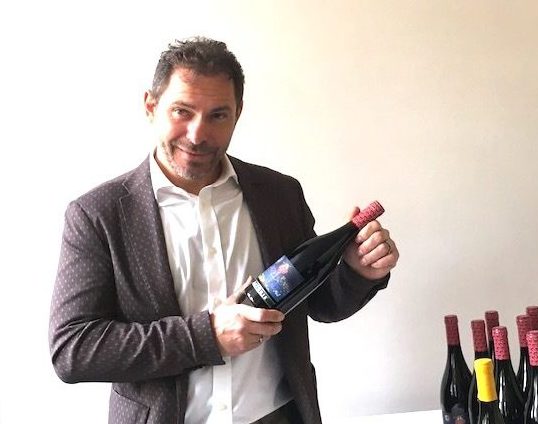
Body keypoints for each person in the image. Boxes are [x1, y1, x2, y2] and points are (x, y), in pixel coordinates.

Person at [49, 36, 399, 424]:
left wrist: (358, 272)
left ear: (238, 113)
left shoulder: (280, 194)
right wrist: (208, 336)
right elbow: (73, 350)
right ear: (151, 106)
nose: (197, 134)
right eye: (182, 111)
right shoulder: (97, 214)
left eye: (218, 115)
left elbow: (320, 305)